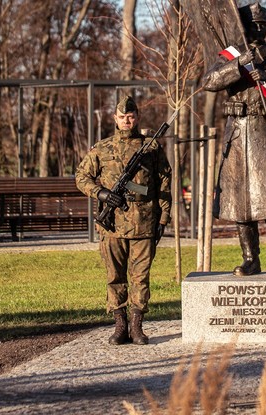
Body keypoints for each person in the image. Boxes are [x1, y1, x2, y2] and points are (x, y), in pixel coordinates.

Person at [200, 1, 266, 279]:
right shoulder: (230, 55)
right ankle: (251, 259)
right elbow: (210, 81)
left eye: (264, 24)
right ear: (244, 25)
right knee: (240, 201)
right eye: (255, 24)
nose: (260, 28)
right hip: (237, 131)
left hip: (264, 128)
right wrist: (239, 63)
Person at [75, 96, 172, 346]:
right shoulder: (103, 148)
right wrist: (103, 193)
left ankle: (137, 326)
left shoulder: (150, 148)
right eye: (122, 117)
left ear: (136, 117)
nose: (126, 121)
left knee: (141, 277)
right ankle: (120, 325)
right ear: (115, 119)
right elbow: (81, 177)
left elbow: (164, 182)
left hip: (144, 223)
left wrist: (164, 217)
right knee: (114, 276)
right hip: (112, 225)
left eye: (130, 117)